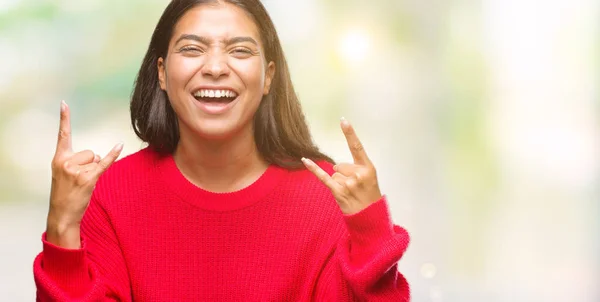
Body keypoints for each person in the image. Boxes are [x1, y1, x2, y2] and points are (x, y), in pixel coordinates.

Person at [33, 0, 411, 301]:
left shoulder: (326, 195)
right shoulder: (111, 194)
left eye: (240, 51)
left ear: (269, 77)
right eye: (193, 48)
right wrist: (62, 226)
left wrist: (370, 232)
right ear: (162, 73)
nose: (215, 67)